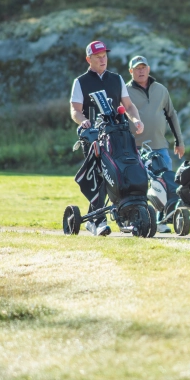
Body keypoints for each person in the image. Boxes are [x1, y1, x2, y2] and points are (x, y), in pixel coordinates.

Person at [70, 40, 144, 236]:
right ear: (89, 59)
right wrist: (84, 121)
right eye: (98, 57)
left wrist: (136, 120)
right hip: (93, 136)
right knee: (98, 176)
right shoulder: (80, 82)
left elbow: (128, 106)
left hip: (115, 135)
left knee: (120, 172)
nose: (103, 59)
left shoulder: (117, 79)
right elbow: (75, 111)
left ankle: (124, 215)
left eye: (104, 55)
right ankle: (97, 220)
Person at [126, 55, 185, 233]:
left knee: (165, 183)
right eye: (137, 68)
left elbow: (171, 115)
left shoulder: (161, 90)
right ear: (131, 71)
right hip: (134, 147)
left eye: (143, 67)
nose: (141, 70)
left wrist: (179, 141)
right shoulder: (125, 91)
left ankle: (161, 221)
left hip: (160, 146)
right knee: (137, 186)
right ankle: (138, 220)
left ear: (149, 69)